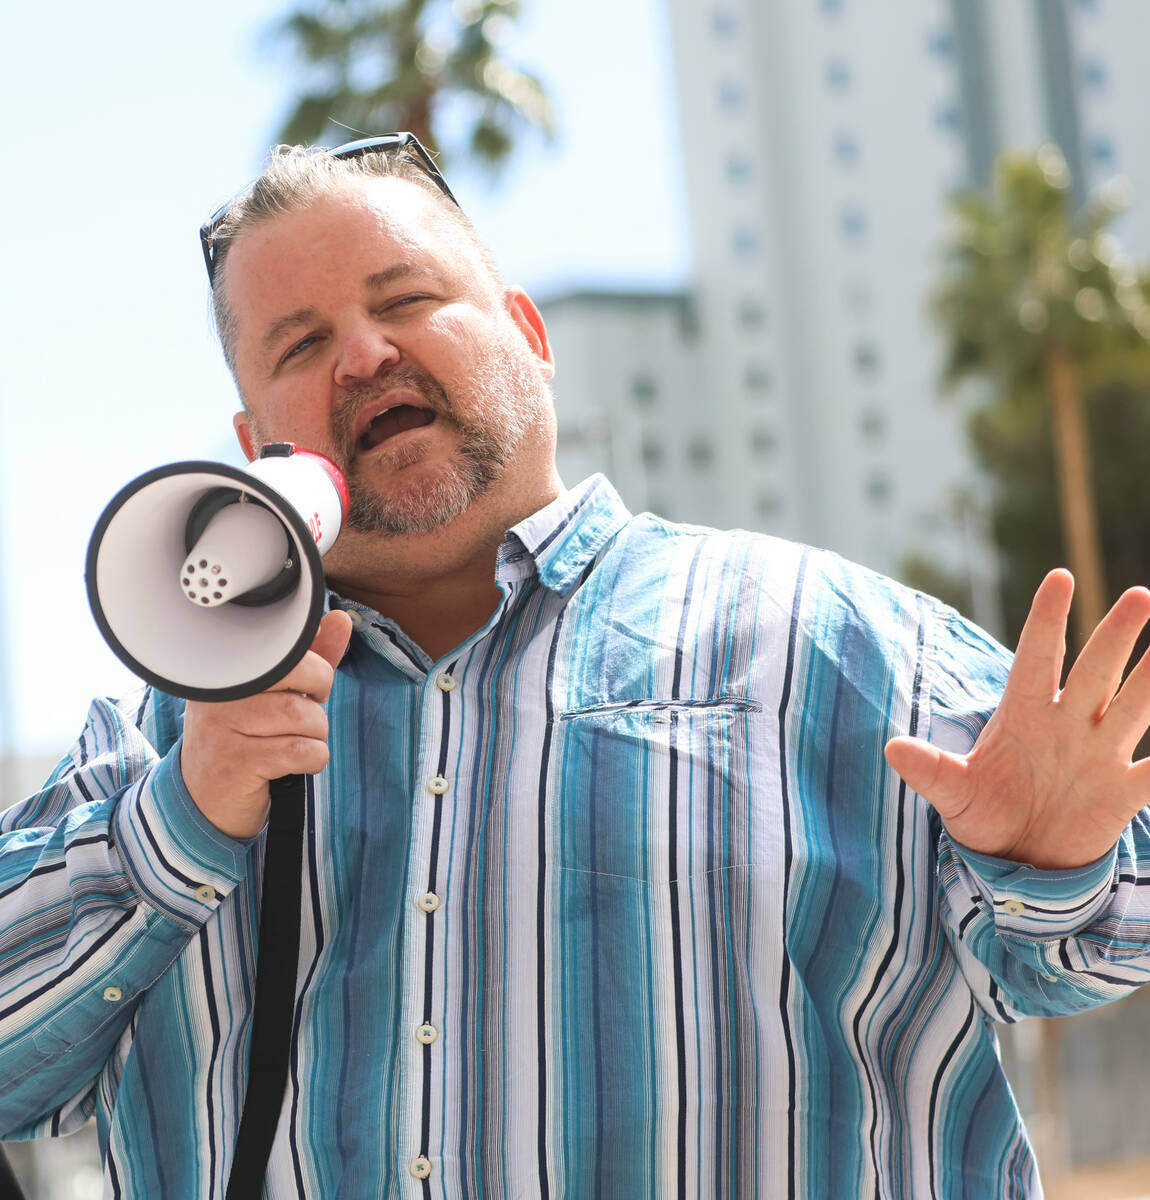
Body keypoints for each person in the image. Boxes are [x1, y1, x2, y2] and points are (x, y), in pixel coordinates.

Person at [2, 135, 1150, 1199]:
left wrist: (1063, 858)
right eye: (299, 346)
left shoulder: (843, 643)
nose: (361, 355)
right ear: (256, 449)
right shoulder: (161, 738)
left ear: (530, 339)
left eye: (405, 300)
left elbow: (1079, 964)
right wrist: (179, 825)